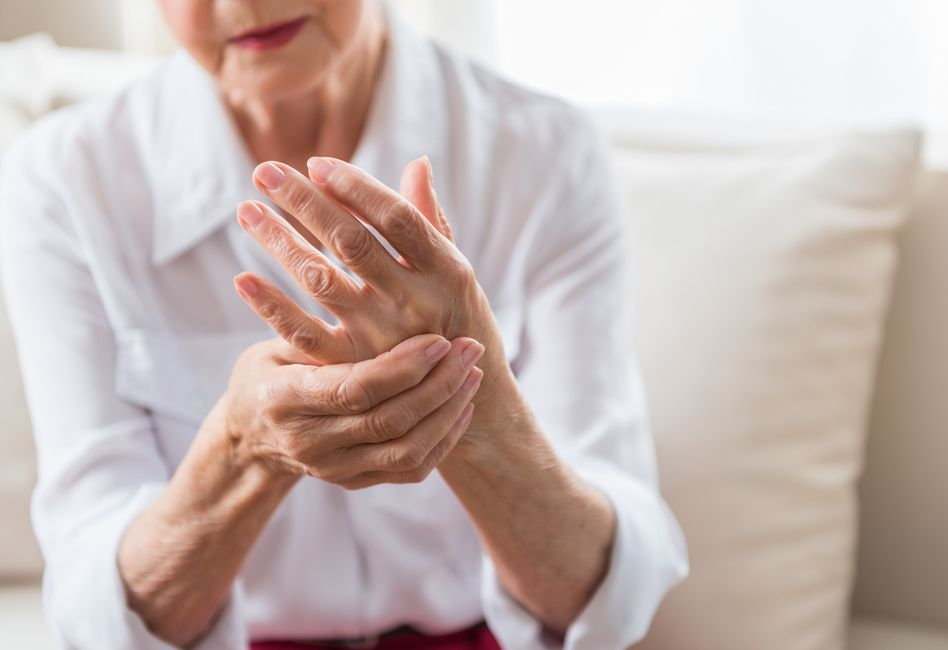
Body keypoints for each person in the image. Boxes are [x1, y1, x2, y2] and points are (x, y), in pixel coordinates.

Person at [0, 1, 687, 648]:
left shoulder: (541, 153)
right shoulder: (66, 181)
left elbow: (606, 596)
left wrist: (478, 406)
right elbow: (97, 611)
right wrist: (239, 448)